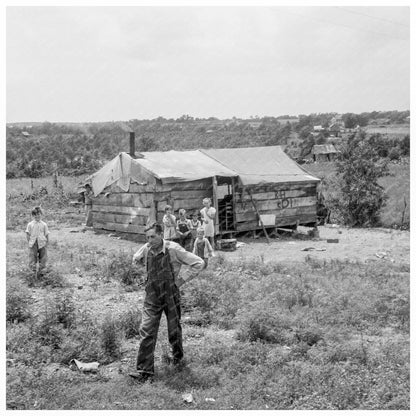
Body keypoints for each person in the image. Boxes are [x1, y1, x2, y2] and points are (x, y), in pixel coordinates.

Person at [129, 222, 205, 382]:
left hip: (170, 294)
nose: (150, 240)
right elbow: (135, 259)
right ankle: (144, 372)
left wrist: (180, 281)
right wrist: (140, 273)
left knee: (173, 330)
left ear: (161, 234)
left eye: (153, 237)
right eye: (147, 237)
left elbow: (199, 263)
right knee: (147, 330)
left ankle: (177, 359)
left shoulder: (174, 249)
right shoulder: (147, 248)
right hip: (152, 295)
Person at [25, 206, 49, 275]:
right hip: (33, 243)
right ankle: (32, 273)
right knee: (32, 257)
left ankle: (42, 273)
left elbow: (46, 234)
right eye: (35, 215)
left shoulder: (44, 224)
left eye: (38, 214)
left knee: (43, 257)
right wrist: (29, 242)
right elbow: (27, 233)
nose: (37, 216)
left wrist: (47, 242)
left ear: (41, 214)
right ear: (32, 216)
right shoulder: (30, 224)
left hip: (42, 243)